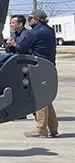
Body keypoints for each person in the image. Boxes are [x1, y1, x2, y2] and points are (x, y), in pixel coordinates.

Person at [18, 9, 59, 138]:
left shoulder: (34, 32)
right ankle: (53, 127)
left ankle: (41, 129)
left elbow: (21, 48)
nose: (28, 21)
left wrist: (27, 48)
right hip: (50, 65)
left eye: (30, 19)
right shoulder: (50, 30)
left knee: (39, 97)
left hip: (37, 66)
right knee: (47, 96)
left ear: (36, 19)